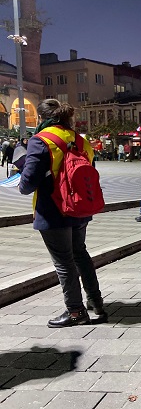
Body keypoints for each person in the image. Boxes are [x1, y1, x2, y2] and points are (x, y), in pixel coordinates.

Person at [19, 98, 106, 327]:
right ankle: (96, 303)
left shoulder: (41, 140)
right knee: (80, 253)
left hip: (53, 210)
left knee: (64, 262)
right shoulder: (81, 141)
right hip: (79, 207)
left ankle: (75, 312)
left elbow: (28, 183)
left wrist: (21, 181)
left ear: (41, 118)